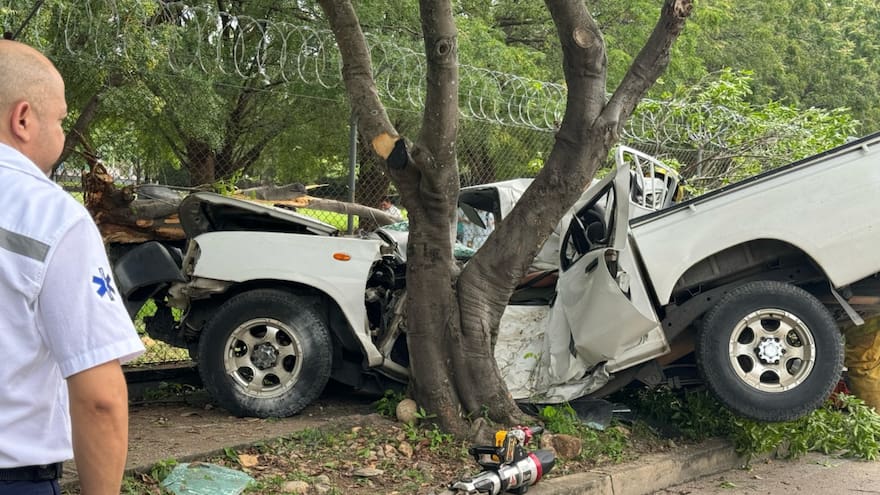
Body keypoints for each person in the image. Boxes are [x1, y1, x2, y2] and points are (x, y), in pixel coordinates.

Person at [0, 40, 145, 494]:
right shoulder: (50, 217)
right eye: (60, 120)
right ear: (23, 119)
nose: (63, 135)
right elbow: (100, 398)